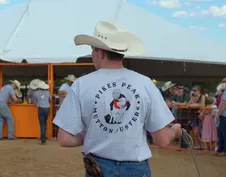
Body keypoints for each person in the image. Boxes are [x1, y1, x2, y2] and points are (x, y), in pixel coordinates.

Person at [53, 21, 182, 177]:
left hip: (99, 167)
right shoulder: (145, 83)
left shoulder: (81, 84)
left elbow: (64, 139)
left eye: (92, 50)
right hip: (136, 169)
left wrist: (92, 135)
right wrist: (175, 131)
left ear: (99, 52)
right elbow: (162, 139)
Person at [188, 85, 206, 150]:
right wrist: (192, 100)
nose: (193, 92)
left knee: (199, 133)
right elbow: (188, 105)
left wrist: (193, 104)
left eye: (194, 90)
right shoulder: (193, 97)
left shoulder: (202, 96)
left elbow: (202, 105)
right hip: (193, 116)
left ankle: (201, 145)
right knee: (194, 133)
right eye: (193, 90)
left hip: (200, 116)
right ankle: (198, 145)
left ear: (199, 91)